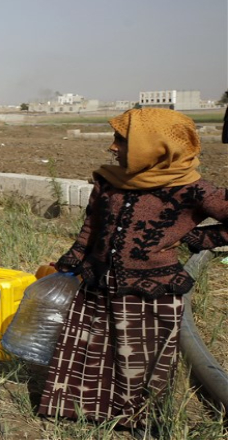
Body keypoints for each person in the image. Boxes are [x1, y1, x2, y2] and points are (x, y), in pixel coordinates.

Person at [38, 108, 228, 437]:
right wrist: (70, 260)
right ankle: (82, 412)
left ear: (153, 145)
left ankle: (136, 420)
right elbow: (90, 228)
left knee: (136, 361)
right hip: (97, 284)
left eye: (121, 140)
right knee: (91, 351)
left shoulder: (192, 189)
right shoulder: (109, 181)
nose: (113, 147)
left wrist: (203, 238)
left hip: (151, 291)